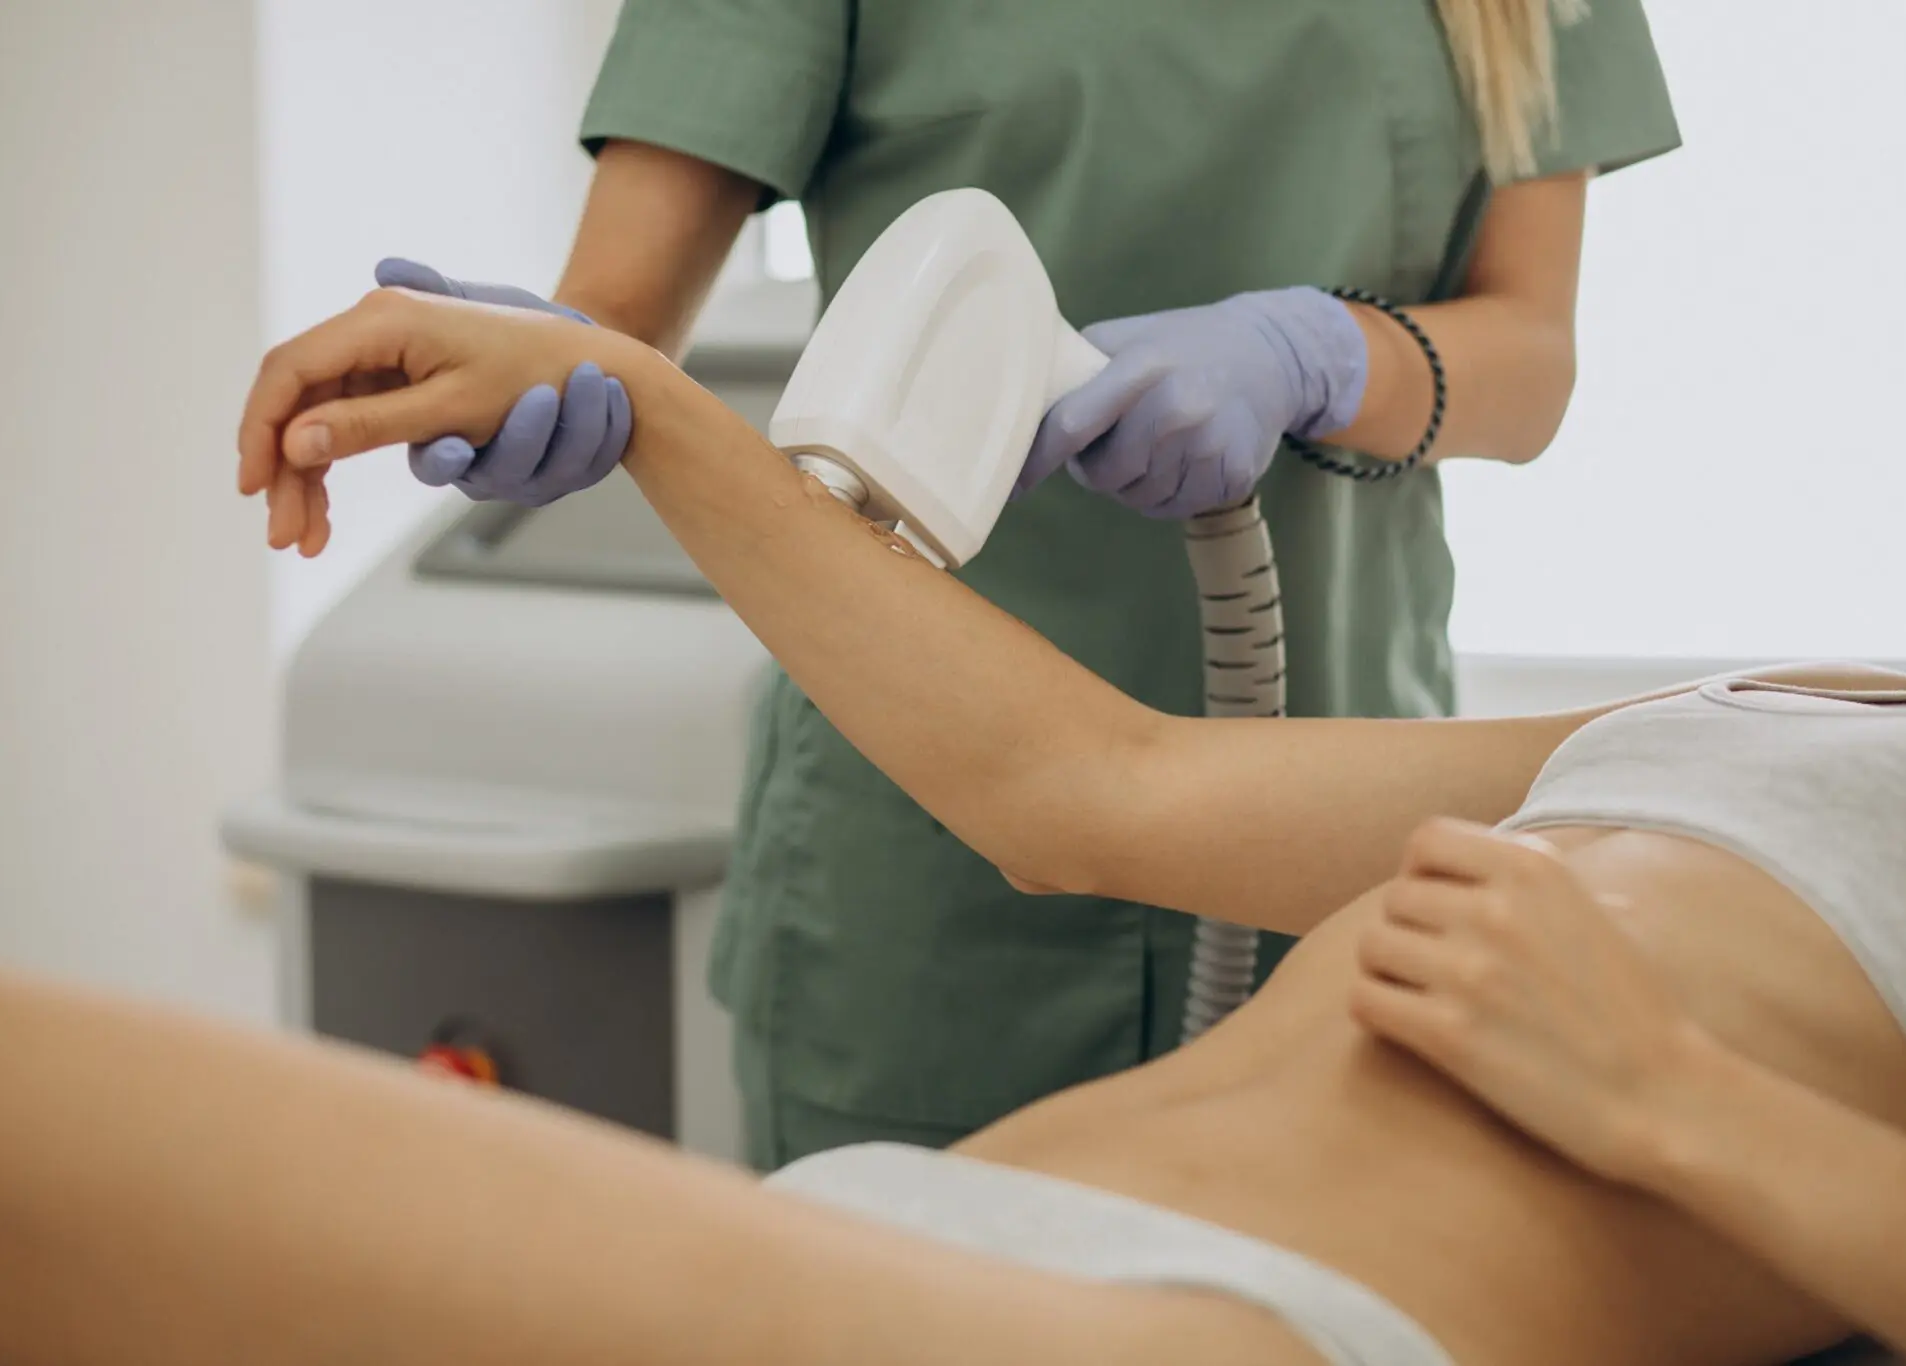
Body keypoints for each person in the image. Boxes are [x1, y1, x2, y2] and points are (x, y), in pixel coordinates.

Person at [0, 288, 1906, 1366]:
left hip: (1213, 1329)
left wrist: (1662, 1093)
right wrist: (645, 396)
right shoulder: (1828, 698)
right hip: (914, 1231)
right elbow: (1085, 792)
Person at [264, 0, 1684, 1168]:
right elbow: (620, 316)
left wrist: (1315, 352)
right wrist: (544, 368)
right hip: (919, 867)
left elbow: (1532, 359)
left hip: (1331, 825)